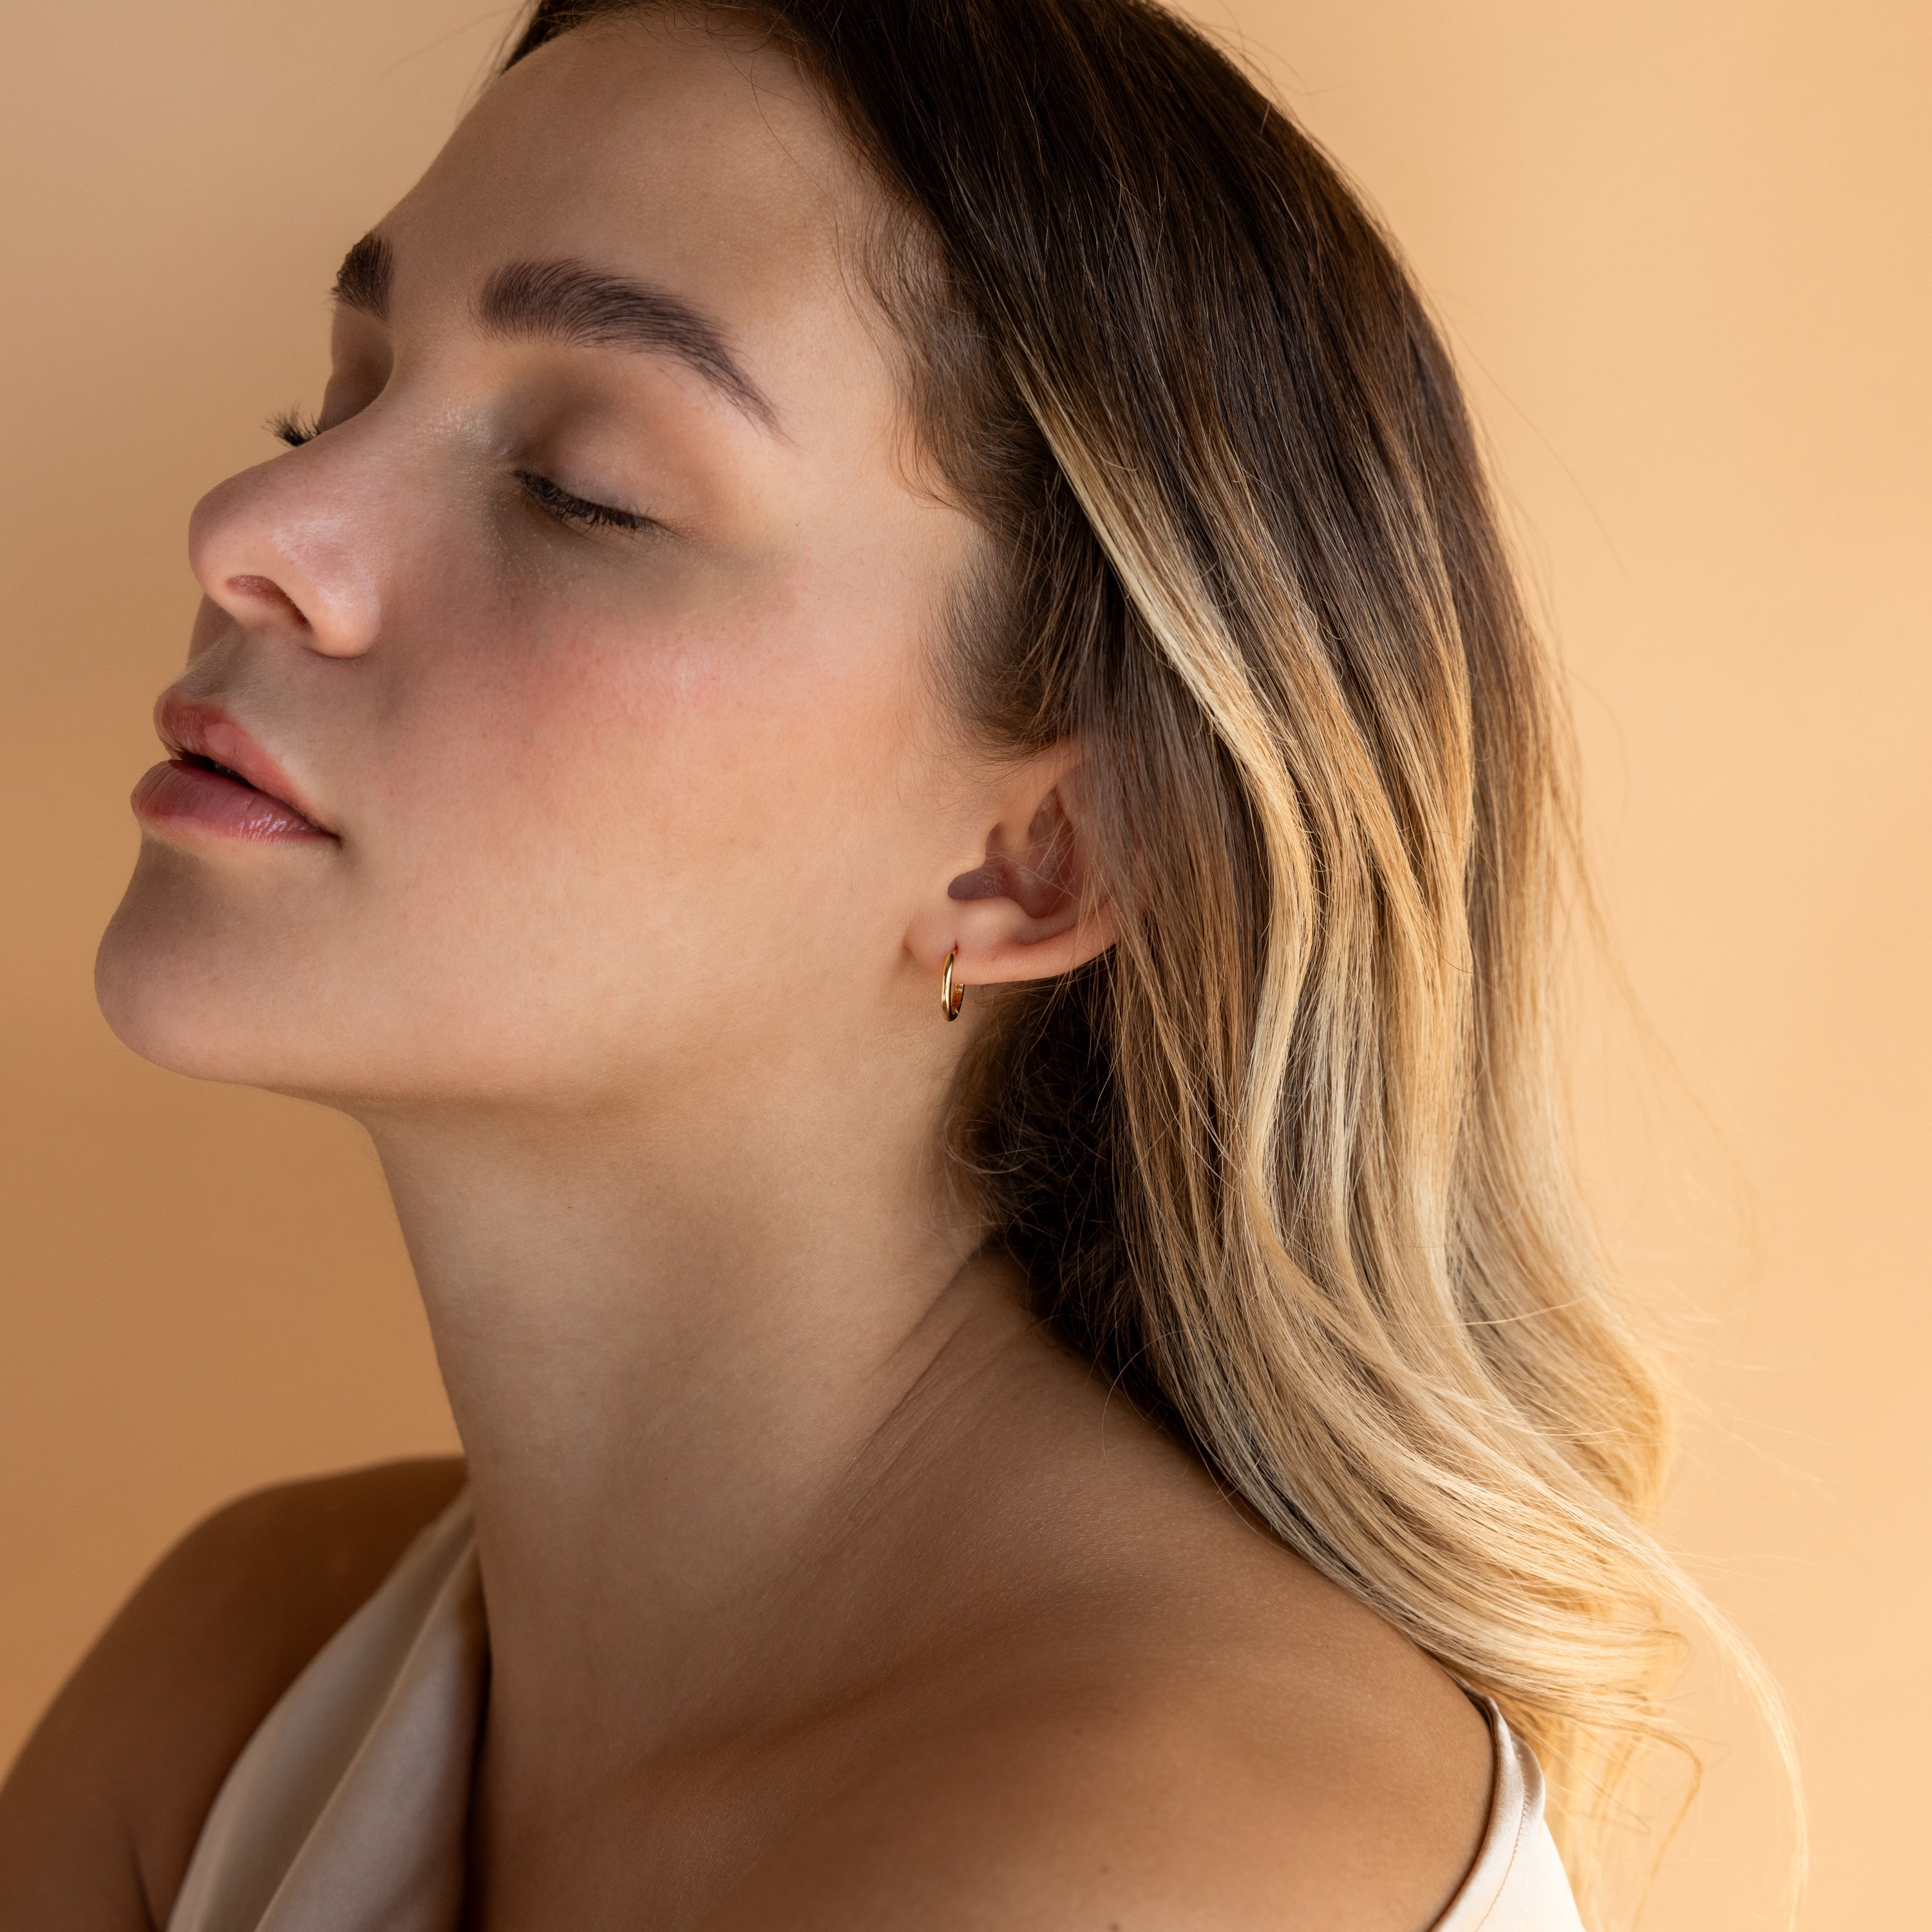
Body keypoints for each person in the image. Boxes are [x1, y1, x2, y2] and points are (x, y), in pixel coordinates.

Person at [0, 1, 1731, 1925]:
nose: (252, 529)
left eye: (582, 486)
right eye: (333, 402)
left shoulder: (1168, 1865)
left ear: (1034, 860)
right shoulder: (237, 1681)